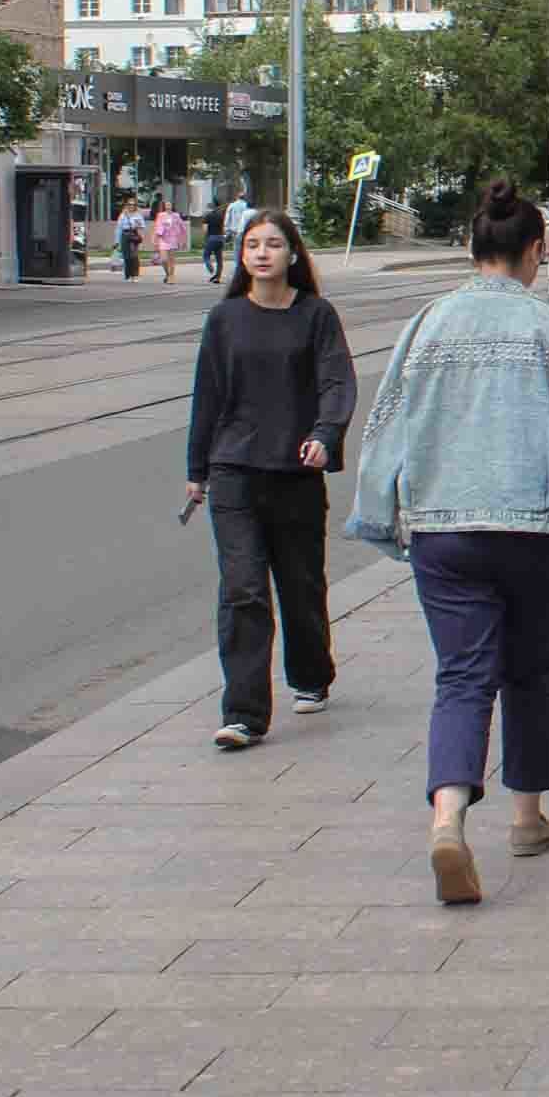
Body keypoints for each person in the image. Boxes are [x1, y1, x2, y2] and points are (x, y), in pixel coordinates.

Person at [345, 178, 549, 905]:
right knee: (531, 669)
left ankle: (447, 817)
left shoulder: (427, 323)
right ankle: (526, 817)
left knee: (461, 675)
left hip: (444, 527)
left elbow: (388, 418)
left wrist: (380, 510)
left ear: (471, 249)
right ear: (535, 252)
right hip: (530, 526)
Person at [186, 210, 356, 752]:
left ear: (292, 255)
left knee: (301, 586)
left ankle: (311, 675)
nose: (262, 253)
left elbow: (335, 381)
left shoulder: (316, 316)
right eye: (253, 244)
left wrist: (325, 434)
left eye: (274, 244)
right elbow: (206, 397)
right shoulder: (225, 319)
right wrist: (196, 471)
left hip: (295, 472)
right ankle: (243, 714)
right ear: (242, 256)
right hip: (233, 470)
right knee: (242, 590)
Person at [152, 196, 189, 286]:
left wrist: (184, 240)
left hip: (173, 239)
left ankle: (171, 277)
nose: (168, 206)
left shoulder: (176, 215)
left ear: (172, 206)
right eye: (166, 205)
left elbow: (183, 228)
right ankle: (168, 274)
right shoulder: (161, 215)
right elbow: (157, 227)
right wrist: (154, 239)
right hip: (163, 239)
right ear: (164, 206)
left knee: (171, 260)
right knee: (164, 260)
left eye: (170, 205)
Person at [114, 195, 149, 282]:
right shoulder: (123, 215)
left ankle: (135, 275)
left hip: (134, 235)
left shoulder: (138, 215)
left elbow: (142, 226)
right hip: (125, 235)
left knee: (134, 256)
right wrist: (117, 241)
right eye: (129, 204)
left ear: (135, 206)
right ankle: (127, 275)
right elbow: (118, 228)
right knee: (126, 256)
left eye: (133, 205)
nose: (131, 206)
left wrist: (139, 228)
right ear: (127, 205)